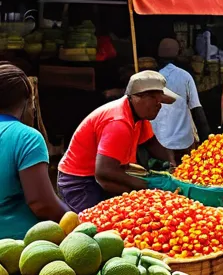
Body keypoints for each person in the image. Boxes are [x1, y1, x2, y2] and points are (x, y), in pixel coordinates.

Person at [58, 71, 178, 213]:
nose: (159, 105)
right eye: (154, 99)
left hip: (105, 174)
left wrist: (174, 164)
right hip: (80, 181)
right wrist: (146, 186)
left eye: (161, 100)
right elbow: (104, 171)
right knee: (93, 225)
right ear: (137, 98)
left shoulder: (139, 117)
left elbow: (151, 143)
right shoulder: (118, 122)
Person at [0, 64, 69, 238]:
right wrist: (75, 222)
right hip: (17, 248)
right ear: (28, 102)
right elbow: (41, 203)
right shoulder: (26, 137)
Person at [150, 38, 210, 160]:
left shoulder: (152, 78)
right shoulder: (185, 76)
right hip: (181, 138)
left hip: (157, 139)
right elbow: (196, 109)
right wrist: (208, 139)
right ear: (178, 53)